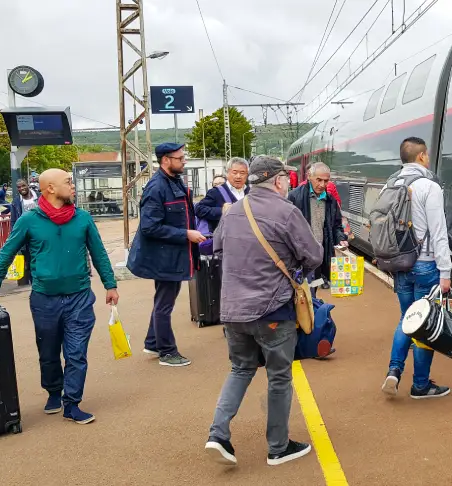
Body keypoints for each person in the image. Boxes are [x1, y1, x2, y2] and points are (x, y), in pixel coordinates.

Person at [205, 156, 323, 467]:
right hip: (271, 309)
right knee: (279, 376)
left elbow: (217, 250)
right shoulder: (286, 211)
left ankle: (217, 434)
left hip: (232, 310)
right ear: (279, 180)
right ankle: (278, 447)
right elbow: (313, 255)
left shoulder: (232, 213)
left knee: (240, 369)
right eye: (286, 178)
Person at [0, 169, 119, 425]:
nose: (73, 186)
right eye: (68, 182)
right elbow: (7, 252)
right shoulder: (29, 220)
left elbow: (99, 253)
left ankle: (72, 403)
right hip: (45, 299)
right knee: (48, 350)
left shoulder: (83, 219)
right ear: (51, 189)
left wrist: (110, 284)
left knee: (76, 352)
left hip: (79, 296)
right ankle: (54, 391)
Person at [380, 137, 452, 399]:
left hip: (400, 264)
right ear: (422, 156)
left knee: (406, 319)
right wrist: (446, 271)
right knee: (425, 323)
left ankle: (394, 370)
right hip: (425, 264)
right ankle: (420, 385)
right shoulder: (428, 186)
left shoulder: (390, 184)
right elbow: (439, 231)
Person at [126, 142, 205, 367]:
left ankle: (153, 341)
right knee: (164, 305)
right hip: (165, 259)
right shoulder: (157, 187)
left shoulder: (173, 182)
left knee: (163, 301)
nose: (184, 161)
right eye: (179, 158)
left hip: (172, 256)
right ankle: (167, 352)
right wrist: (186, 234)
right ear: (165, 160)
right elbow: (149, 227)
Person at [287, 162, 348, 293]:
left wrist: (341, 238)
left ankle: (313, 304)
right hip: (301, 256)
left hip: (320, 254)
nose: (322, 185)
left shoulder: (331, 200)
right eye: (318, 180)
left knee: (314, 287)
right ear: (309, 176)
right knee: (300, 292)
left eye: (326, 181)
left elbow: (336, 225)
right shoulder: (294, 197)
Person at [195, 158, 250, 234]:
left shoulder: (252, 192)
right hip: (224, 240)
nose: (238, 176)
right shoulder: (216, 192)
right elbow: (199, 209)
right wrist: (221, 210)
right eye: (234, 172)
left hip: (248, 238)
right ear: (227, 173)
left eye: (242, 173)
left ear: (247, 175)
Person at [10, 179, 40, 287]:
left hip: (41, 234)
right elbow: (13, 221)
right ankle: (35, 286)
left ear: (28, 185)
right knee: (30, 261)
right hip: (26, 237)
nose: (21, 188)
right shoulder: (16, 202)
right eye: (19, 187)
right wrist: (14, 237)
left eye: (23, 186)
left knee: (42, 259)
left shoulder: (39, 197)